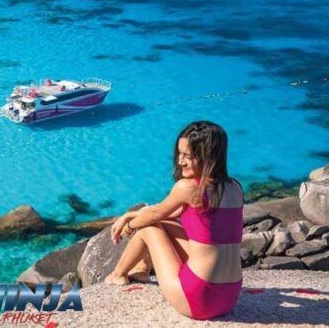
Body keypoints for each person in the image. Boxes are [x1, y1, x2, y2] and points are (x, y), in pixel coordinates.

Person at [104, 121, 244, 320]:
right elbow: (167, 212)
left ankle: (117, 275)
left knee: (149, 227)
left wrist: (129, 226)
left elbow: (154, 216)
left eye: (189, 156)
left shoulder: (187, 187)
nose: (181, 162)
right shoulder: (235, 187)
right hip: (229, 297)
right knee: (167, 225)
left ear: (209, 157)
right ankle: (142, 270)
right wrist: (130, 214)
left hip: (198, 298)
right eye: (180, 154)